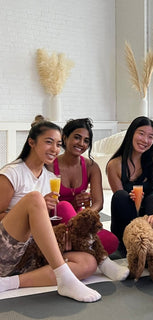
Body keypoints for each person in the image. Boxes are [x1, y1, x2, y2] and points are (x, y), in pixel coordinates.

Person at [0, 117, 101, 302]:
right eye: (49, 142)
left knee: (89, 263)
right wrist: (31, 210)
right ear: (31, 142)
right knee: (35, 198)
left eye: (58, 144)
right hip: (5, 249)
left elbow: (44, 223)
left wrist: (60, 235)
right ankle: (65, 277)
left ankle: (7, 283)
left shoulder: (49, 177)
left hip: (29, 253)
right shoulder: (12, 173)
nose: (55, 149)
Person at [46, 118, 129, 281]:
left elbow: (98, 203)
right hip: (56, 222)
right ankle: (102, 260)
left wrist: (84, 214)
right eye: (77, 137)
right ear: (65, 138)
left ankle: (67, 251)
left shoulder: (91, 166)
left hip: (78, 224)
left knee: (111, 241)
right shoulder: (49, 165)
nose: (81, 144)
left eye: (86, 140)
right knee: (63, 206)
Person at [107, 116, 153, 281]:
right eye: (141, 133)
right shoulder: (114, 165)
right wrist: (131, 198)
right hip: (128, 221)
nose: (145, 140)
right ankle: (130, 247)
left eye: (150, 136)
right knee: (121, 196)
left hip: (151, 216)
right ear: (131, 134)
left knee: (151, 200)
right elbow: (120, 203)